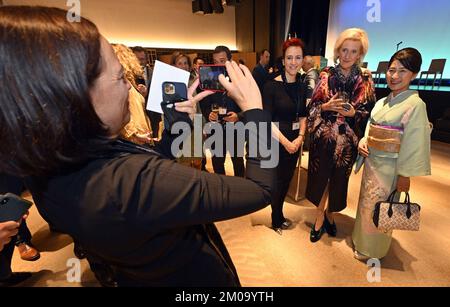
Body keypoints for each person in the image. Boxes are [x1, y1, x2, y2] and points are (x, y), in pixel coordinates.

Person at [0, 6, 273, 287]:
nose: (130, 89)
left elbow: (162, 163)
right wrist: (256, 113)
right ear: (77, 94)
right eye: (120, 78)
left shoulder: (50, 163)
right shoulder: (133, 182)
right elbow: (261, 191)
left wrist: (179, 120)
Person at [352, 48, 431, 260]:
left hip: (391, 166)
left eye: (402, 71)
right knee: (366, 203)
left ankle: (373, 249)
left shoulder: (416, 105)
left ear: (414, 74)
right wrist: (363, 140)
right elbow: (370, 125)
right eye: (391, 70)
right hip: (372, 163)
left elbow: (414, 142)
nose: (394, 76)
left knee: (383, 207)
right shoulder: (381, 102)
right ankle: (360, 240)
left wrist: (405, 175)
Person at [306, 28, 376, 243]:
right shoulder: (326, 74)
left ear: (360, 54)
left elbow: (371, 110)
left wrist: (355, 113)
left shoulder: (365, 77)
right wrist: (326, 106)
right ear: (338, 51)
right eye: (344, 50)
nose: (347, 55)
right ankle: (319, 214)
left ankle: (330, 213)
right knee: (321, 177)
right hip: (324, 137)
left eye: (353, 51)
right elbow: (312, 107)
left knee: (338, 180)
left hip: (347, 141)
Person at [262, 38, 307, 235]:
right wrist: (287, 142)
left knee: (286, 180)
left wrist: (301, 137)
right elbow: (266, 120)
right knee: (277, 182)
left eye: (298, 57)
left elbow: (303, 115)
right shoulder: (271, 86)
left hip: (295, 142)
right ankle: (276, 218)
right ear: (283, 60)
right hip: (277, 140)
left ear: (303, 60)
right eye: (290, 57)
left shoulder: (302, 84)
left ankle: (278, 215)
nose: (294, 62)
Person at [199, 45, 246, 177]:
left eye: (222, 61)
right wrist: (208, 113)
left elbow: (248, 104)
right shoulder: (209, 77)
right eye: (215, 62)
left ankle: (241, 191)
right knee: (217, 163)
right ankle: (221, 193)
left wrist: (238, 115)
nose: (218, 65)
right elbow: (204, 102)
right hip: (215, 129)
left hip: (236, 128)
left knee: (238, 163)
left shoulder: (240, 78)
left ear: (230, 60)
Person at [112, 44, 153, 145]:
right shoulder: (120, 83)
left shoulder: (128, 82)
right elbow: (118, 110)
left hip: (141, 137)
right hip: (135, 140)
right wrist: (134, 134)